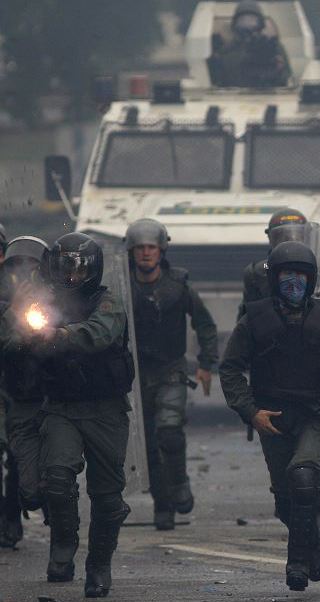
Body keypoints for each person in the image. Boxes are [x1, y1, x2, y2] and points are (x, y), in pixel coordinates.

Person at [221, 240, 320, 592]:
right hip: (273, 417)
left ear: (310, 280)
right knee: (287, 503)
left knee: (303, 479)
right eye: (286, 275)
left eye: (300, 275)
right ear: (274, 279)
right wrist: (251, 412)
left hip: (314, 413)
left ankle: (296, 564)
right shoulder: (255, 319)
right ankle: (313, 542)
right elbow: (231, 368)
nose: (292, 282)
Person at [14, 233, 135, 597]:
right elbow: (18, 334)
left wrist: (59, 335)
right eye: (65, 266)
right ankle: (63, 547)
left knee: (108, 496)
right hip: (62, 407)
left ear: (93, 270)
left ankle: (99, 566)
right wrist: (28, 333)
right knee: (57, 477)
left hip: (105, 410)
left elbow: (100, 334)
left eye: (80, 268)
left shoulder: (108, 302)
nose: (72, 275)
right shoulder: (44, 302)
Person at [124, 219, 218, 530]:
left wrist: (206, 364)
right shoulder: (122, 287)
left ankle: (179, 484)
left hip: (171, 370)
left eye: (151, 247)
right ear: (132, 251)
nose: (146, 253)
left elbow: (204, 324)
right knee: (148, 444)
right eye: (140, 248)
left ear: (161, 249)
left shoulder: (178, 286)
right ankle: (162, 506)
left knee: (169, 431)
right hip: (136, 375)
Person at [0, 236, 52, 549]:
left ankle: (28, 513)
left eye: (32, 267)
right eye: (18, 267)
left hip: (37, 392)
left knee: (31, 463)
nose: (25, 274)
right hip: (7, 389)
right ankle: (7, 519)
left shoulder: (53, 300)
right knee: (9, 456)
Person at [239, 208, 311, 318]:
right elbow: (246, 317)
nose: (291, 242)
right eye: (283, 237)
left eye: (298, 236)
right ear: (271, 238)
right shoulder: (261, 269)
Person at [207, 0, 291, 88]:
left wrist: (276, 69)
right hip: (233, 99)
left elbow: (286, 80)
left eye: (253, 21)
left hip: (270, 97)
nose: (248, 25)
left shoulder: (273, 47)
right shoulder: (225, 52)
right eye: (243, 21)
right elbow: (219, 83)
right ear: (235, 26)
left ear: (261, 25)